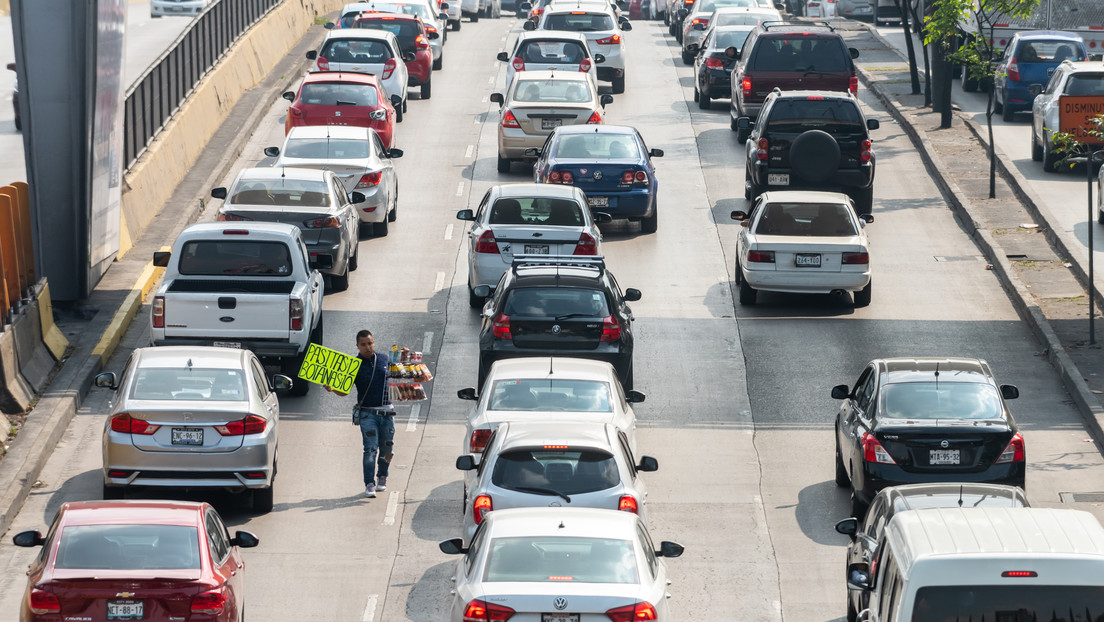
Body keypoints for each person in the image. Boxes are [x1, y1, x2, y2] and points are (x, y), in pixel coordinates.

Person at [327, 329, 395, 498]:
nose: (368, 347)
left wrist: (406, 357)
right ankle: (369, 484)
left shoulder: (384, 360)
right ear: (357, 346)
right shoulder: (353, 365)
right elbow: (344, 391)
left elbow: (401, 372)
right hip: (367, 415)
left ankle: (382, 476)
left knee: (387, 449)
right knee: (370, 449)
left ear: (374, 343)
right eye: (363, 344)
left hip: (387, 413)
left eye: (370, 343)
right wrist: (332, 389)